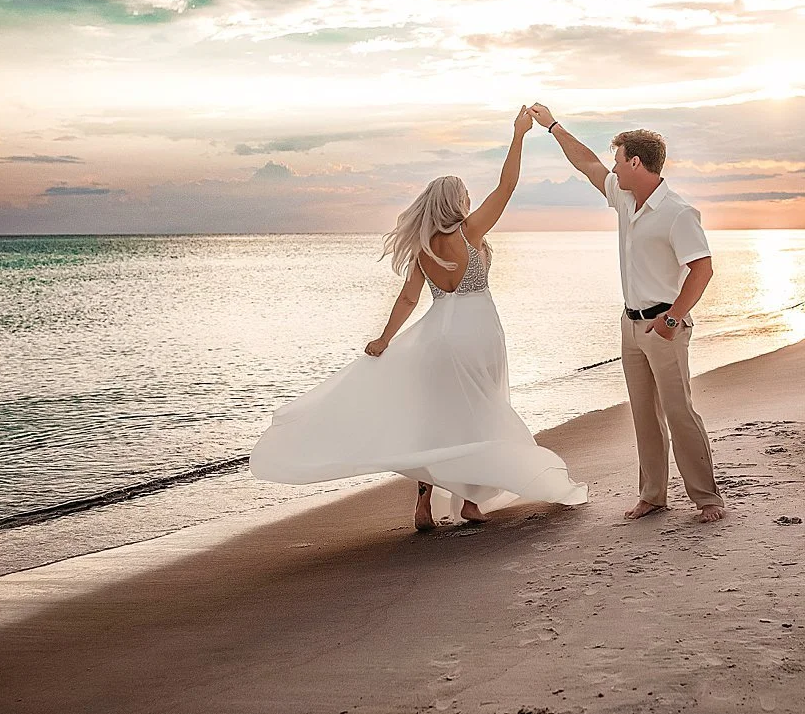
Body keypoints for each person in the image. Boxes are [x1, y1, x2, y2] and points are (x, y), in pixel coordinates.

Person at [250, 106, 588, 530]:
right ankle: (470, 503)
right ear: (457, 202)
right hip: (477, 332)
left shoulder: (424, 247)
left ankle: (424, 507)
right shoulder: (470, 234)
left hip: (436, 336)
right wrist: (519, 135)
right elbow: (507, 185)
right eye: (465, 195)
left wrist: (384, 340)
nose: (470, 201)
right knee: (479, 413)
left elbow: (408, 299)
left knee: (435, 419)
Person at [528, 103, 724, 523]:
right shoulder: (622, 197)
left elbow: (703, 268)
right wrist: (553, 126)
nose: (612, 170)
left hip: (664, 326)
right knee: (644, 415)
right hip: (630, 325)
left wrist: (673, 318)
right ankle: (653, 495)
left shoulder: (678, 212)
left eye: (618, 161)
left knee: (679, 412)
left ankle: (707, 498)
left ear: (636, 162)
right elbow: (585, 163)